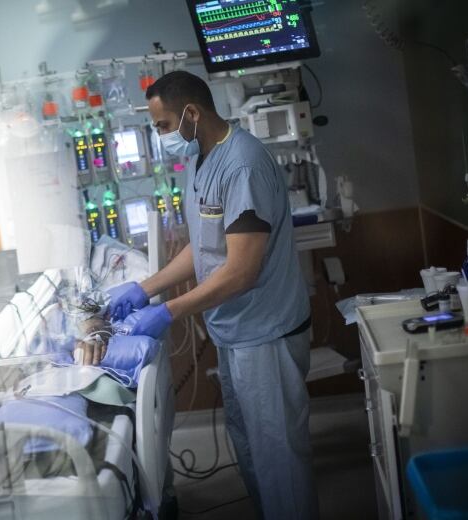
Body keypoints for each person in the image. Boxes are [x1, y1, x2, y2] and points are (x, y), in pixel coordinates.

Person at [108, 71, 318, 519]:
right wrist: (145, 289)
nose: (159, 136)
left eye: (163, 126)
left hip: (266, 331)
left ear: (191, 113)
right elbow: (205, 243)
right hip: (236, 331)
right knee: (251, 450)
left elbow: (241, 271)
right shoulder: (204, 160)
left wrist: (170, 311)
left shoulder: (241, 164)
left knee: (278, 458)